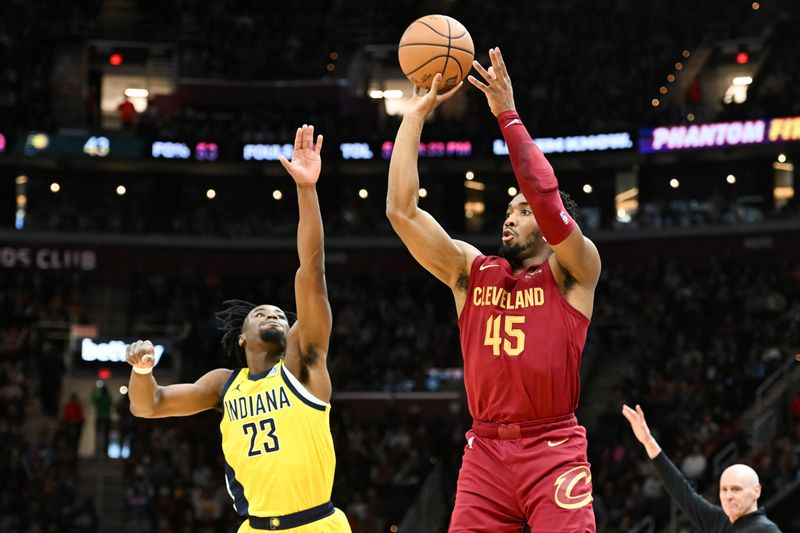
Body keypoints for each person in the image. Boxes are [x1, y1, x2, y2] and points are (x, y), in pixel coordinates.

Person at [387, 47, 601, 532]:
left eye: (521, 211)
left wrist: (507, 113)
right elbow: (401, 212)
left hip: (553, 448)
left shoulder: (575, 271)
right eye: (508, 210)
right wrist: (413, 118)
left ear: (549, 228)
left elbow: (546, 196)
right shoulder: (471, 270)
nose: (510, 216)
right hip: (484, 450)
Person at [126, 124, 351, 533]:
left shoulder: (303, 362)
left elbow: (311, 270)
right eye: (262, 313)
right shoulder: (223, 386)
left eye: (282, 314)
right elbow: (149, 405)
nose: (276, 316)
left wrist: (306, 190)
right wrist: (142, 371)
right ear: (242, 336)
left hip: (316, 524)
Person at [622, 404, 781, 532]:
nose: (728, 496)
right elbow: (683, 492)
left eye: (736, 489)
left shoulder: (765, 530)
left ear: (756, 491)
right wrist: (648, 441)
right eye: (724, 489)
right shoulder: (719, 521)